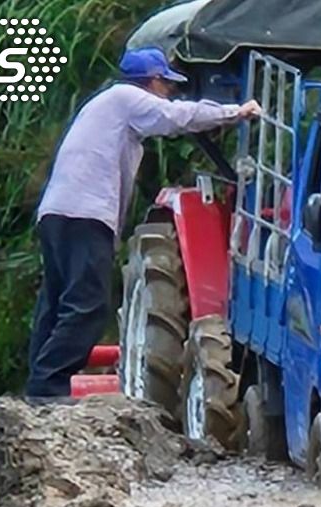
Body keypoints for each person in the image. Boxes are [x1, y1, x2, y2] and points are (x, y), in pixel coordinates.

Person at [25, 47, 262, 404]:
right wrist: (236, 112)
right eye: (167, 84)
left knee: (57, 301)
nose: (169, 92)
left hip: (58, 212)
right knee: (87, 304)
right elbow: (176, 117)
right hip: (84, 214)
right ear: (153, 81)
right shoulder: (127, 98)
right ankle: (49, 385)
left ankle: (39, 383)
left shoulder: (104, 105)